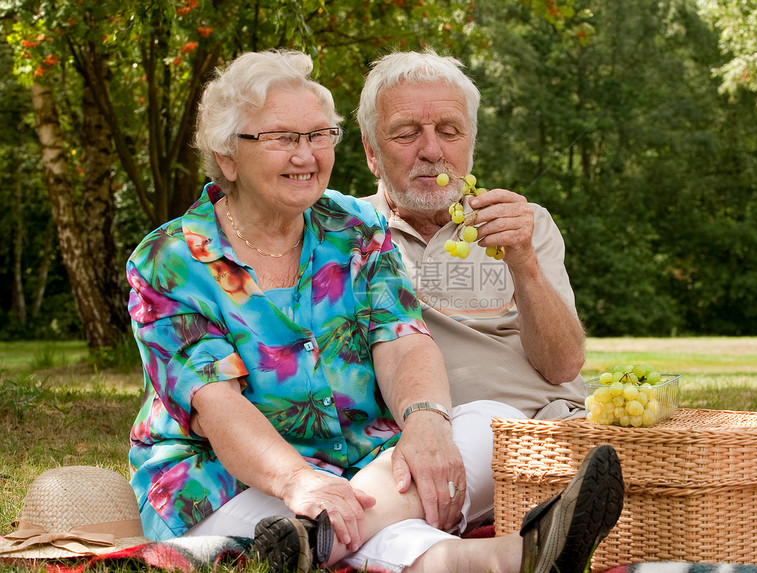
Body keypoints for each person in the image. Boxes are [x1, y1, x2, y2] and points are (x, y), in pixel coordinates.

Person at [126, 49, 623, 573]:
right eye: (283, 138)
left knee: (486, 423)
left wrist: (426, 424)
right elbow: (218, 408)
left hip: (363, 463)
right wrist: (300, 481)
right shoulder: (170, 261)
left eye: (319, 135)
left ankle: (309, 545)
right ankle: (502, 557)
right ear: (228, 155)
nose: (307, 155)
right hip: (230, 477)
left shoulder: (356, 227)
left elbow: (403, 339)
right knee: (331, 518)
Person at [358, 50, 589, 420]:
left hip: (545, 427)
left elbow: (563, 366)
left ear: (471, 144)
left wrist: (523, 260)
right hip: (429, 432)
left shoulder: (523, 225)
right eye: (406, 134)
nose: (432, 151)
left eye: (450, 132)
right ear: (372, 153)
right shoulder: (347, 231)